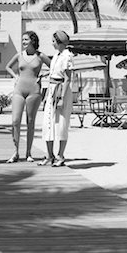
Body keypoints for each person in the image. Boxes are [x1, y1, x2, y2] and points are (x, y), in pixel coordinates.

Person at [5, 31, 51, 163]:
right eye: (22, 40)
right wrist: (15, 76)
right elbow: (8, 66)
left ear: (32, 40)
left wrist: (43, 75)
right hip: (19, 90)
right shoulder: (19, 55)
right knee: (15, 121)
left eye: (25, 39)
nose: (23, 42)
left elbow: (53, 66)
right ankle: (15, 152)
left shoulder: (40, 56)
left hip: (34, 91)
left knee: (30, 122)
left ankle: (28, 153)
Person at [39, 30, 74, 167]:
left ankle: (60, 155)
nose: (52, 43)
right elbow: (55, 71)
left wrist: (61, 98)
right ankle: (49, 155)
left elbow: (67, 78)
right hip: (51, 88)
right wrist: (45, 74)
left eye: (54, 41)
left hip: (61, 90)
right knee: (48, 122)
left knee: (61, 124)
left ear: (59, 42)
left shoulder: (67, 56)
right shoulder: (56, 55)